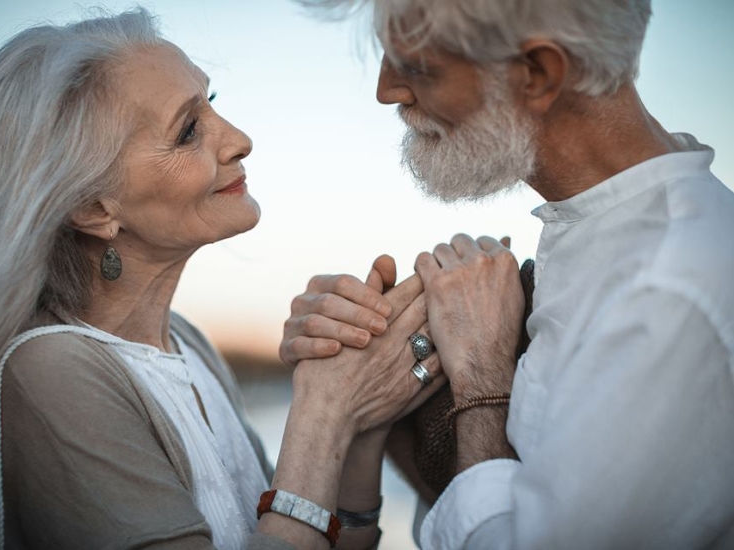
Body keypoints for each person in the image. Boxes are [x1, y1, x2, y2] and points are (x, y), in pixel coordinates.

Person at [0, 8, 445, 550]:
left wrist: (361, 415)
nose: (240, 140)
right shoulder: (46, 372)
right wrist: (322, 411)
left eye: (212, 103)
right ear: (94, 208)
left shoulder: (186, 343)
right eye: (188, 131)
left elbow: (309, 535)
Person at [281, 0, 734, 548]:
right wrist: (364, 386)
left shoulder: (670, 289)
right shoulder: (608, 233)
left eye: (418, 66)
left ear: (537, 74)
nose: (387, 91)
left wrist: (481, 374)